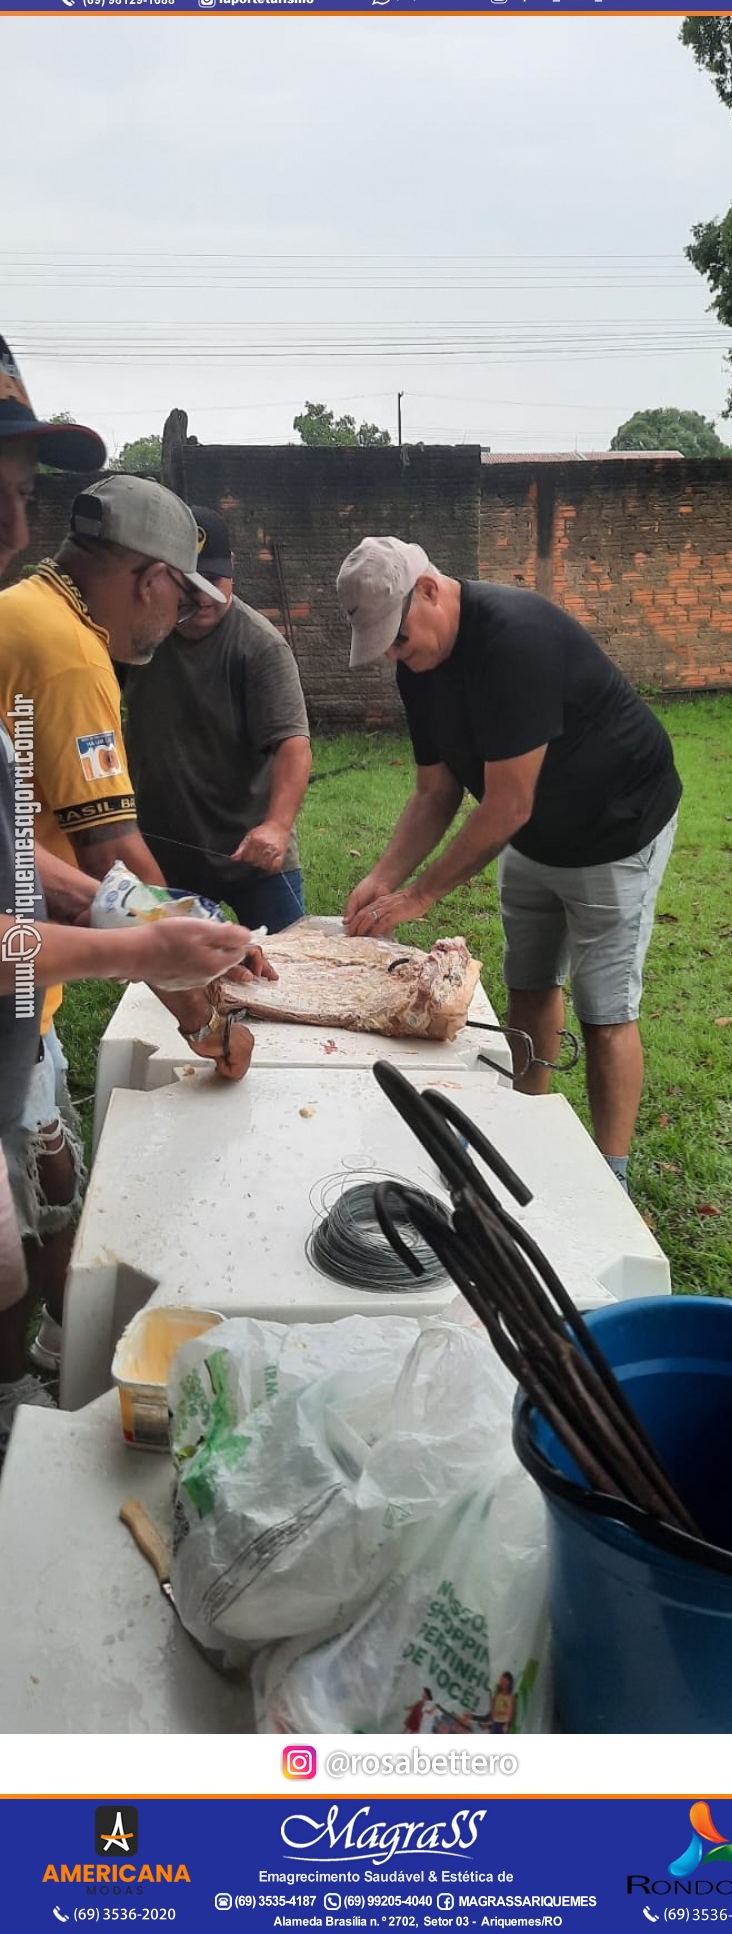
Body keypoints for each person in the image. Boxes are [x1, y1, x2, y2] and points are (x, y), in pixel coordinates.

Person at [0, 430, 261, 1437]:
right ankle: (27, 1401)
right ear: (149, 578)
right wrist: (188, 978)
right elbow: (113, 851)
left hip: (33, 964)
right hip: (21, 982)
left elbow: (35, 847)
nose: (180, 617)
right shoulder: (69, 654)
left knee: (42, 1185)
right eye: (179, 593)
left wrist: (173, 931)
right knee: (25, 1217)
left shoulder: (22, 617)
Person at [336, 536, 682, 1195]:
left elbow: (508, 803)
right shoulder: (418, 668)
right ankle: (524, 1117)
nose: (395, 656)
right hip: (532, 833)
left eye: (399, 638)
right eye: (384, 646)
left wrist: (420, 895)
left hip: (616, 825)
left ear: (431, 590)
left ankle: (611, 1176)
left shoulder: (514, 640)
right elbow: (436, 792)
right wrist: (384, 877)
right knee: (528, 982)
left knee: (604, 1010)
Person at [124, 506, 312, 933]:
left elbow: (293, 746)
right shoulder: (136, 636)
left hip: (255, 856)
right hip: (163, 855)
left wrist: (278, 826)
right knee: (175, 979)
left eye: (215, 580)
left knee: (286, 977)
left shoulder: (259, 646)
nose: (203, 596)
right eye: (190, 583)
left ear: (232, 567)